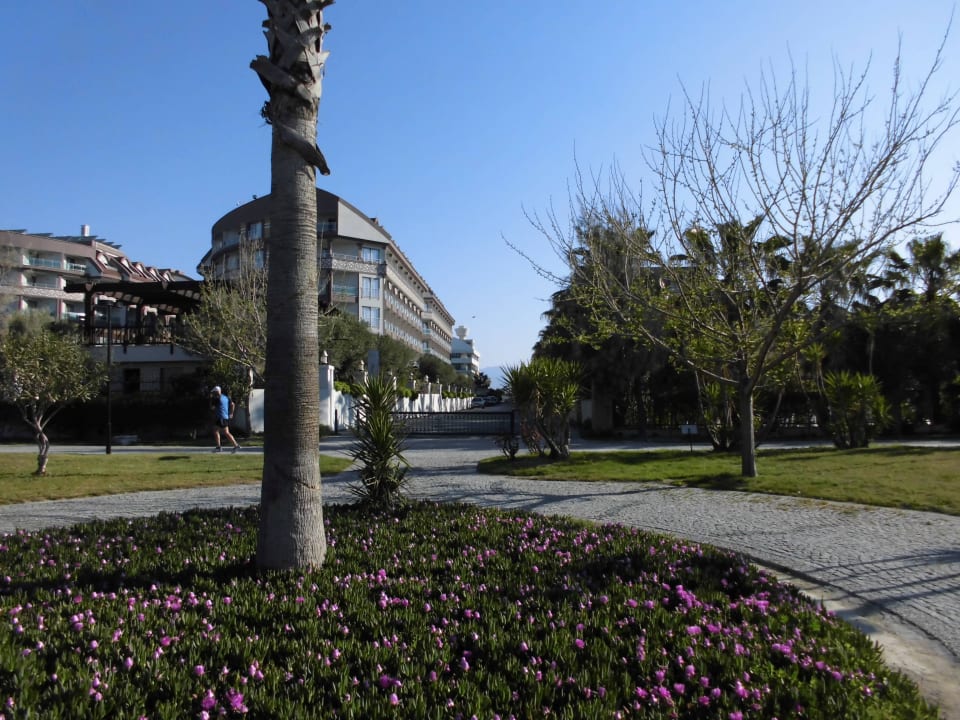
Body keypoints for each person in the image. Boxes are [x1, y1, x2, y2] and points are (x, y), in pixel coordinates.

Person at [211, 386, 240, 453]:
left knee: (216, 431)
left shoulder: (216, 399)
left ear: (217, 392)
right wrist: (231, 413)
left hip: (219, 417)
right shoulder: (226, 397)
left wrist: (211, 401)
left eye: (214, 392)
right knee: (226, 432)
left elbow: (212, 408)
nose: (213, 394)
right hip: (225, 417)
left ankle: (219, 447)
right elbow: (233, 404)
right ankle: (235, 445)